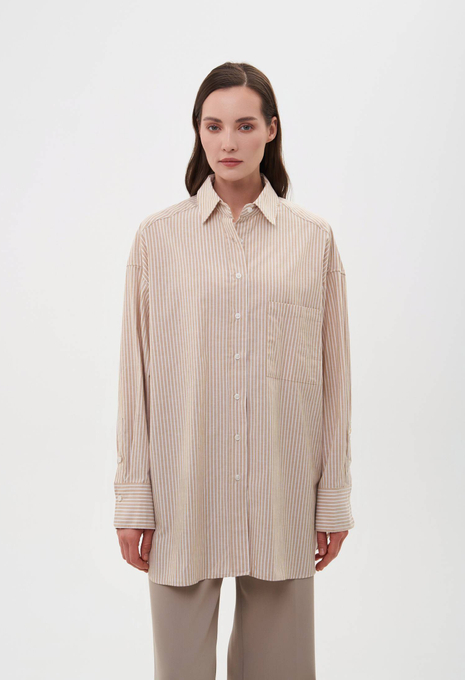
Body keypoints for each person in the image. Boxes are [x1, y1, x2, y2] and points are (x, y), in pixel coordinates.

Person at [113, 61, 355, 680]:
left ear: (271, 130)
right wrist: (134, 498)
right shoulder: (157, 240)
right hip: (183, 489)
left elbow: (335, 382)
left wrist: (332, 499)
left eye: (245, 125)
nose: (228, 142)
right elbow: (135, 376)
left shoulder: (314, 241)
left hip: (281, 492)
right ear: (197, 132)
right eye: (213, 126)